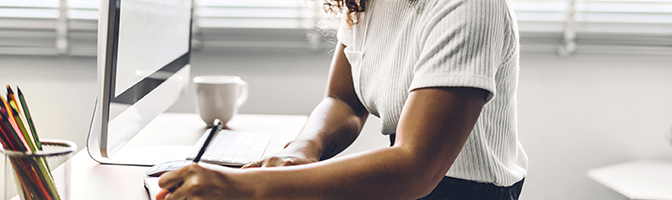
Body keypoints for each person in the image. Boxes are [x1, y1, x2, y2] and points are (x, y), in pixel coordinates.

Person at [157, 0, 528, 199]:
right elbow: (344, 99)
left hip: (461, 191)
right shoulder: (364, 2)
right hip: (411, 181)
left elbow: (417, 167)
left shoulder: (471, 4)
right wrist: (301, 150)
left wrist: (240, 187)